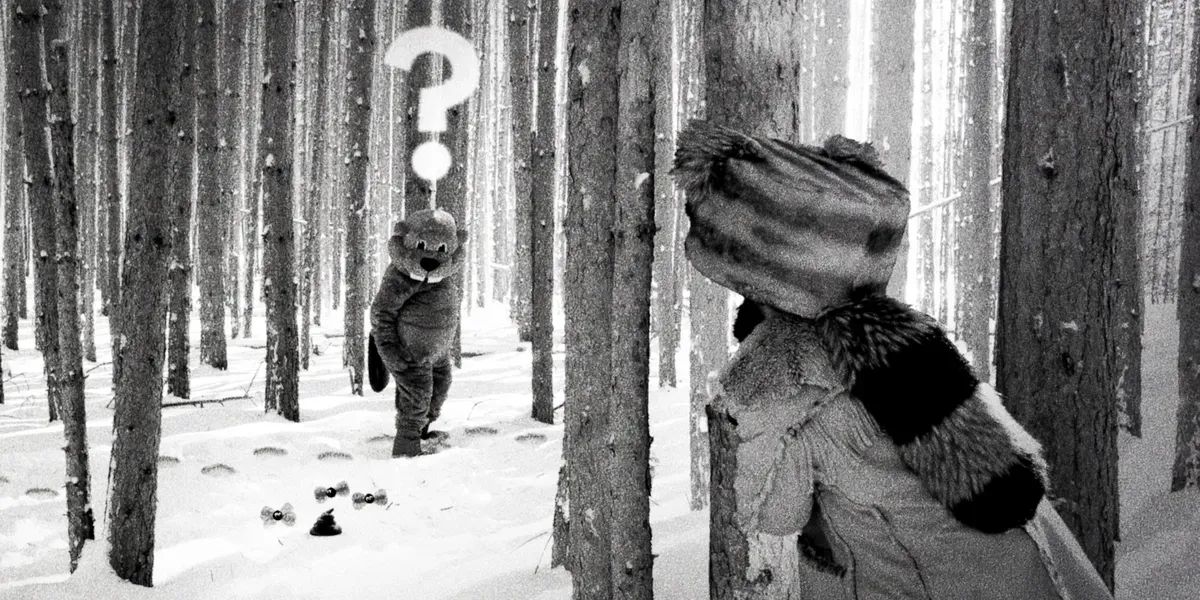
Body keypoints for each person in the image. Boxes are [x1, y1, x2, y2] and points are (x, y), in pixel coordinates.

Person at [675, 120, 1113, 599]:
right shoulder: (900, 340)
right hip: (1029, 569)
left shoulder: (794, 381)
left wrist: (752, 391)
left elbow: (771, 512)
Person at [369, 208, 467, 458]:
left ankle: (422, 431)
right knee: (417, 395)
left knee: (439, 388)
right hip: (409, 353)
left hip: (436, 354)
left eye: (441, 250)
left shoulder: (444, 277)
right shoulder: (401, 277)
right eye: (422, 246)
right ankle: (406, 445)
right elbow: (382, 313)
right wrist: (390, 350)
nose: (431, 258)